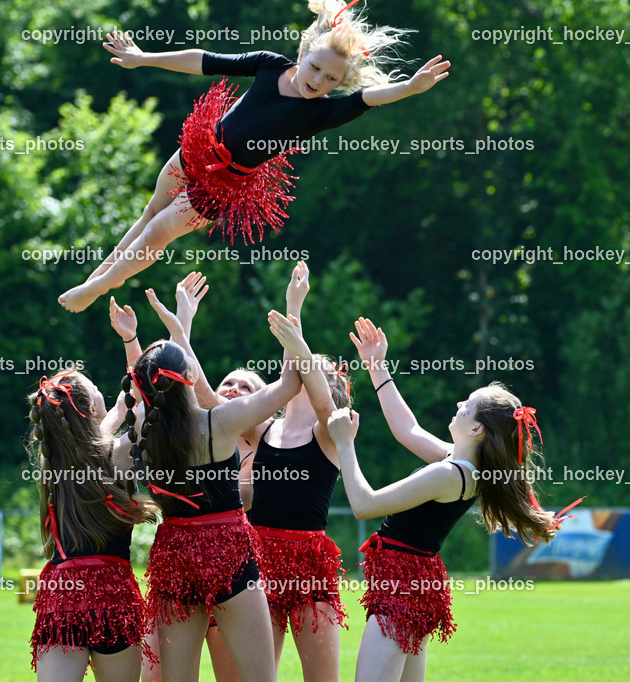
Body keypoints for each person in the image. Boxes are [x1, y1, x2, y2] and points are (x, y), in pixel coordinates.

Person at [58, 0, 451, 312]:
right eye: (315, 68)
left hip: (225, 182)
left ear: (339, 82)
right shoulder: (269, 64)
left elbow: (369, 98)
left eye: (330, 79)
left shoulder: (323, 111)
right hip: (198, 150)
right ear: (303, 52)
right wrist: (145, 57)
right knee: (148, 215)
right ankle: (99, 276)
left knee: (158, 231)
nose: (318, 81)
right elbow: (204, 60)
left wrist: (410, 88)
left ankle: (96, 288)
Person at [321, 317, 572, 682]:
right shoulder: (465, 469)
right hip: (414, 583)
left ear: (476, 429)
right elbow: (407, 430)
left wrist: (343, 442)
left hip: (402, 587)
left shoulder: (447, 474)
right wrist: (377, 367)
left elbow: (364, 504)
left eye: (466, 406)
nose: (458, 403)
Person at [125, 312, 309, 682]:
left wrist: (134, 341)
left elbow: (146, 384)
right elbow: (289, 385)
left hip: (175, 554)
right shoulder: (222, 420)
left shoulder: (145, 429)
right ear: (192, 376)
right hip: (229, 552)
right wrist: (293, 325)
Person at [247, 262, 349, 681]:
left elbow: (325, 404)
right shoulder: (263, 426)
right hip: (257, 562)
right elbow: (212, 403)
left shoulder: (333, 430)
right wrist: (182, 327)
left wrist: (296, 313)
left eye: (315, 371)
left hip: (310, 561)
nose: (305, 373)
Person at [26, 370, 159, 682]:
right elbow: (147, 411)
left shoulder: (54, 462)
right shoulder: (119, 454)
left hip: (64, 594)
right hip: (113, 593)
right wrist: (133, 343)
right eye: (96, 388)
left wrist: (113, 416)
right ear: (91, 409)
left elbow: (97, 433)